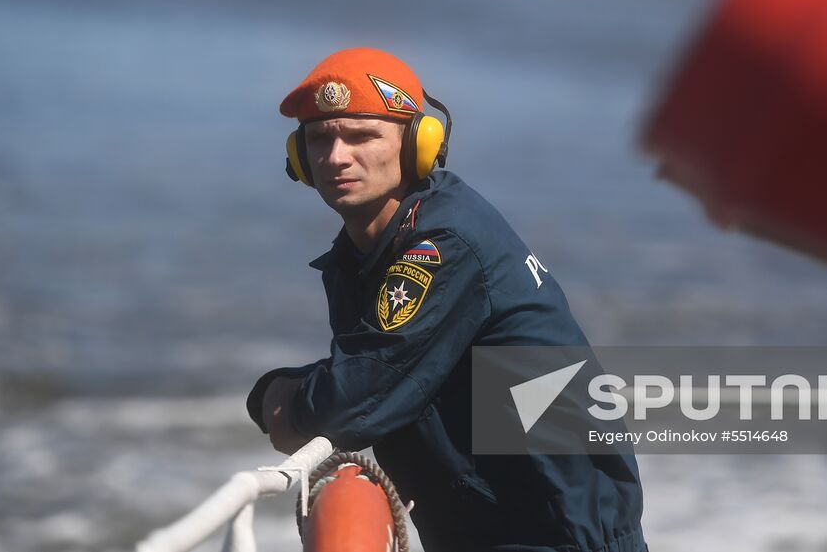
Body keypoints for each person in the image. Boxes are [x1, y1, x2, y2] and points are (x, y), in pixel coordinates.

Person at [246, 47, 647, 552]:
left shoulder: (443, 246)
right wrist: (290, 390)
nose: (336, 157)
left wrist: (274, 396)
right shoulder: (371, 248)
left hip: (554, 535)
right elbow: (385, 367)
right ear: (299, 157)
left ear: (419, 145)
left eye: (362, 136)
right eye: (319, 139)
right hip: (494, 529)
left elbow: (355, 400)